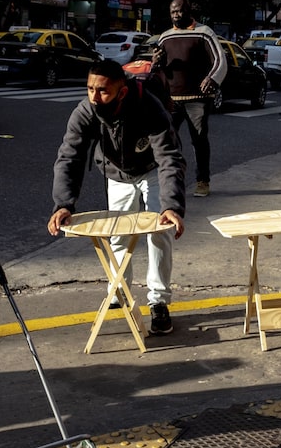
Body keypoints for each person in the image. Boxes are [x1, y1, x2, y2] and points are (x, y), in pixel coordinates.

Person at [47, 60, 186, 335]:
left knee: (159, 233)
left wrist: (172, 206)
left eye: (103, 91)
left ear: (121, 92)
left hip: (152, 171)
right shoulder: (85, 110)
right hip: (116, 174)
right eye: (90, 89)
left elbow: (169, 157)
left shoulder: (149, 106)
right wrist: (63, 204)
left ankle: (159, 302)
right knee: (118, 235)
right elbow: (69, 156)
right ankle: (119, 291)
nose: (95, 97)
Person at [152, 0, 227, 198]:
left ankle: (203, 181)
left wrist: (212, 79)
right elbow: (156, 68)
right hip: (171, 100)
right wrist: (156, 61)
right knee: (166, 141)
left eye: (179, 11)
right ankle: (169, 181)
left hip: (197, 98)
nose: (176, 15)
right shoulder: (165, 36)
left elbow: (220, 60)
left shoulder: (204, 32)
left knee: (199, 140)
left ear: (188, 10)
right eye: (172, 12)